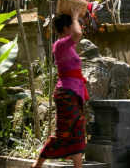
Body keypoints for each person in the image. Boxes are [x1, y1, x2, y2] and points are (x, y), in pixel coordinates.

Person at [32, 10, 88, 168]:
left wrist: (75, 19)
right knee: (62, 132)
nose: (76, 27)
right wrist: (76, 16)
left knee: (77, 131)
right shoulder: (60, 44)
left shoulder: (68, 46)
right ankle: (37, 164)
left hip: (74, 93)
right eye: (72, 24)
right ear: (65, 28)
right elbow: (78, 34)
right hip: (66, 93)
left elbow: (76, 33)